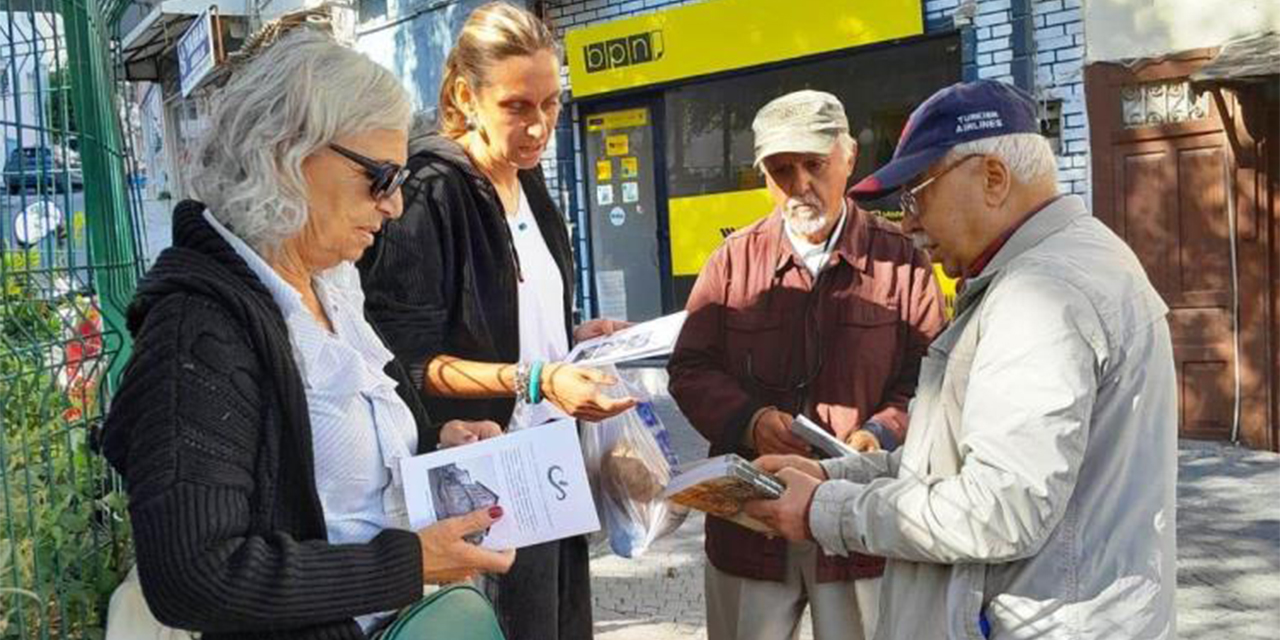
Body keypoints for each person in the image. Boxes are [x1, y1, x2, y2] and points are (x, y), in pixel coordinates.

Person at [100, 29, 515, 640]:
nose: (395, 205)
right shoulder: (198, 332)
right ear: (285, 154)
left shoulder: (332, 287)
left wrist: (432, 444)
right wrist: (405, 565)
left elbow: (328, 476)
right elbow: (194, 574)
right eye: (381, 177)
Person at [745, 80, 1178, 640]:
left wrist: (825, 509)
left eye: (916, 195)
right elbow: (957, 460)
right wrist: (832, 473)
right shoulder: (1064, 261)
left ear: (993, 178)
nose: (908, 223)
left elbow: (1001, 508)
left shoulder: (1042, 296)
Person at [357, 4, 633, 639]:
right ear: (465, 96)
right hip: (486, 482)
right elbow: (403, 362)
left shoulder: (528, 182)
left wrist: (574, 342)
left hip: (552, 470)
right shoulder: (427, 193)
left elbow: (514, 319)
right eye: (517, 106)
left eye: (551, 104)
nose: (539, 127)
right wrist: (535, 379)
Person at [667, 90, 946, 640]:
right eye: (780, 170)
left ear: (848, 157)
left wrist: (880, 434)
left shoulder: (901, 260)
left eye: (814, 165)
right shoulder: (732, 261)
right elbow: (690, 367)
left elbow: (931, 378)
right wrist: (750, 421)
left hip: (858, 521)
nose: (799, 185)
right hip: (752, 523)